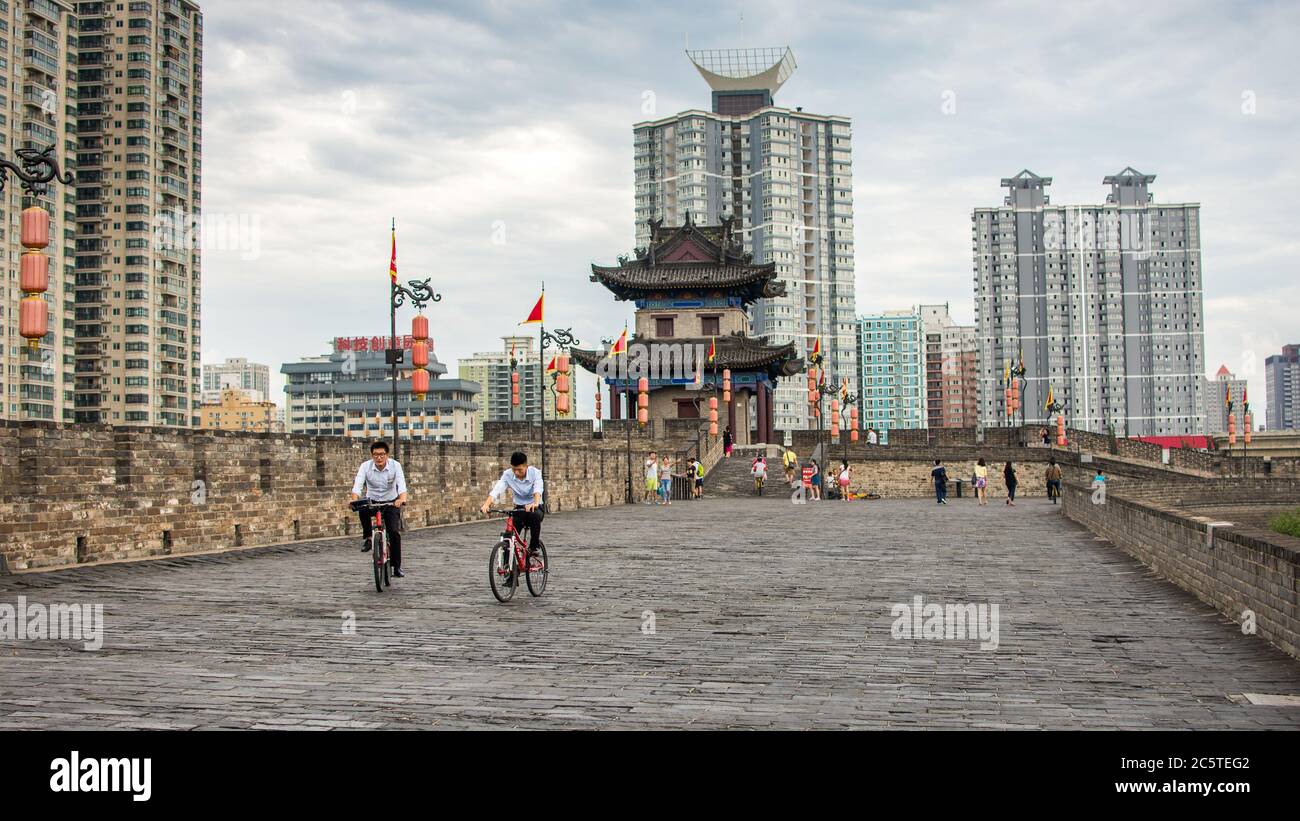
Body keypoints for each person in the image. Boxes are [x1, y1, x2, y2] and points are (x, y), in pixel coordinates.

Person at [350, 440, 409, 576]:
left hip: (391, 502)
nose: (379, 457)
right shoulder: (365, 466)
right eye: (376, 454)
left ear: (387, 455)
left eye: (382, 454)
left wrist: (402, 499)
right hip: (373, 501)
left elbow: (401, 484)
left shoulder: (395, 466)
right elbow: (358, 484)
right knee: (362, 508)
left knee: (394, 532)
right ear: (372, 455)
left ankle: (396, 567)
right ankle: (369, 538)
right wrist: (353, 499)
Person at [479, 451, 545, 572]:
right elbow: (497, 489)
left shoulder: (535, 473)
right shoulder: (508, 475)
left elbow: (538, 489)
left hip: (535, 507)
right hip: (519, 508)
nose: (516, 473)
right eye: (514, 469)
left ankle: (534, 547)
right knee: (508, 537)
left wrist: (535, 503)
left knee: (535, 516)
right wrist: (486, 504)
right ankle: (508, 570)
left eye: (519, 470)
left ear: (526, 466)